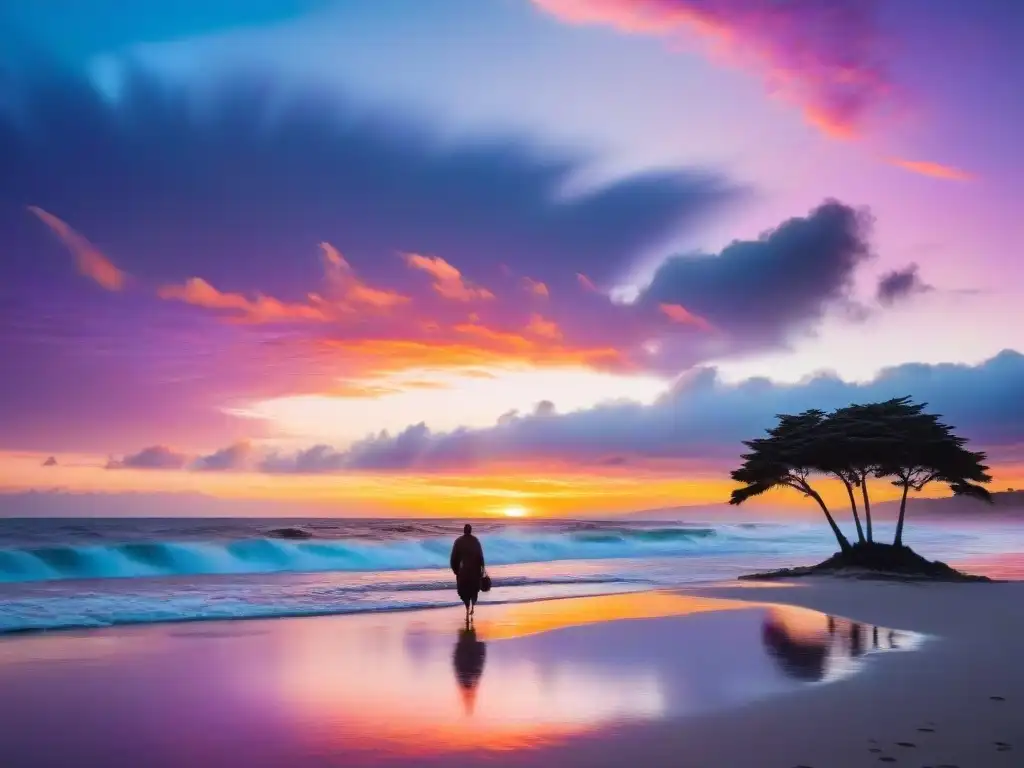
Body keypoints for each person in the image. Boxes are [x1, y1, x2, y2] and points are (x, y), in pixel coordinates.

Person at [450, 523, 485, 622]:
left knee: (463, 591)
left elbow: (453, 558)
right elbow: (480, 556)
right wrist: (482, 569)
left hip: (463, 571)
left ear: (464, 530)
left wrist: (455, 570)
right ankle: (473, 605)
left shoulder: (459, 541)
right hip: (475, 570)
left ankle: (467, 608)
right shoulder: (475, 541)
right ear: (471, 530)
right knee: (474, 590)